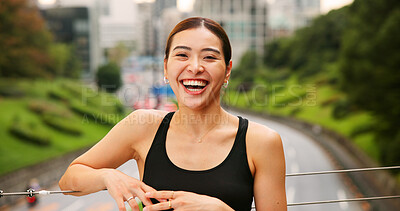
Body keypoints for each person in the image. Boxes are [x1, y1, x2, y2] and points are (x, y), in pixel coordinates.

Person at [59, 17, 286, 211]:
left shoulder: (261, 142)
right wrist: (108, 176)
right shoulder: (143, 125)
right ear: (166, 68)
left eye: (209, 57)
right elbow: (69, 180)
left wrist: (221, 209)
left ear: (227, 70)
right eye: (182, 55)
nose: (195, 67)